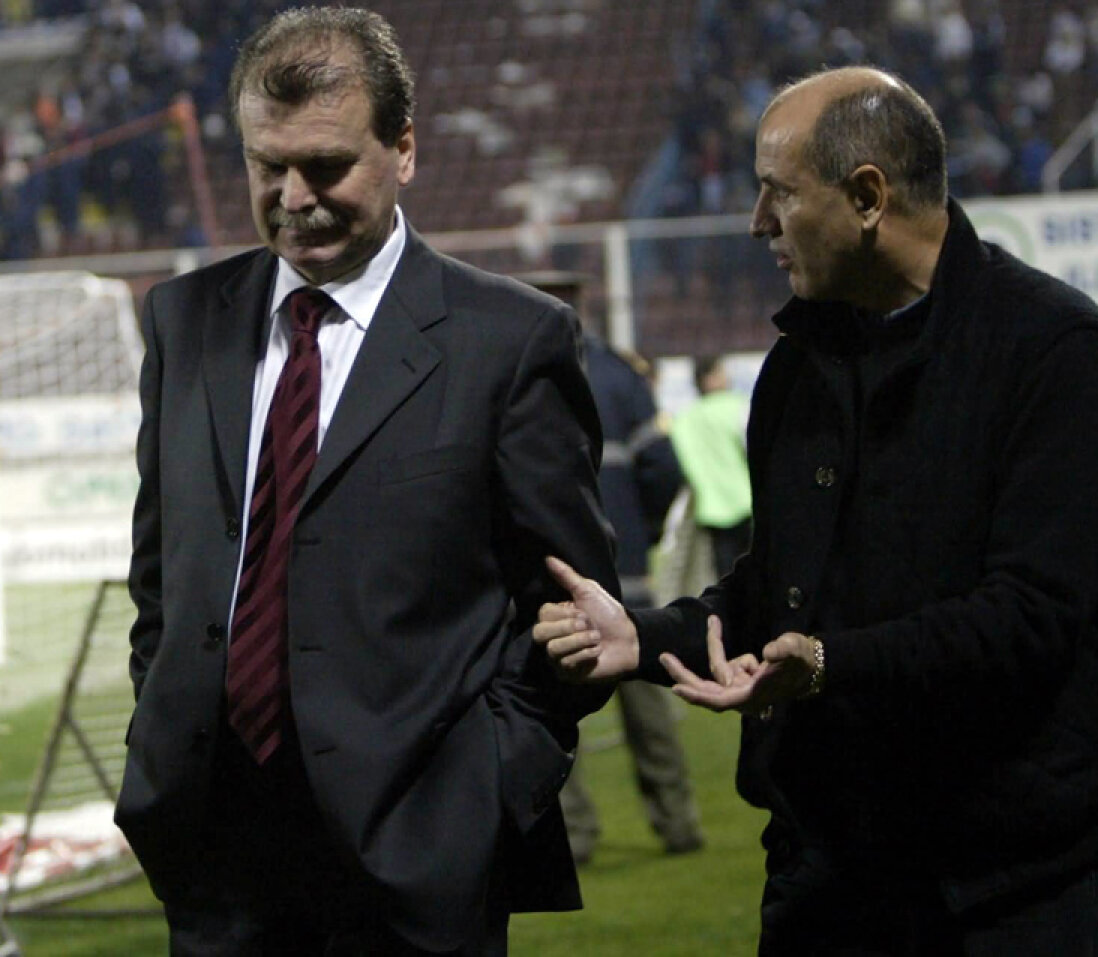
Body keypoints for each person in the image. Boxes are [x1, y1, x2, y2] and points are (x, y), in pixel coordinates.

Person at [534, 66, 1098, 955]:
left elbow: (1031, 618)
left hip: (1003, 883)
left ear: (868, 197)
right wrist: (643, 636)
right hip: (826, 870)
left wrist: (833, 663)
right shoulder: (800, 363)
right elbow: (779, 588)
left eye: (779, 192)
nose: (758, 221)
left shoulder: (1057, 355)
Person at [114, 8, 618, 955]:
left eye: (326, 166)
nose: (293, 197)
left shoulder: (509, 340)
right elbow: (162, 576)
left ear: (405, 150)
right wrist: (164, 721)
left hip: (418, 859)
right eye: (268, 166)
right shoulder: (184, 322)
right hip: (217, 857)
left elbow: (576, 607)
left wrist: (483, 786)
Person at [521, 272, 704, 865]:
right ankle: (677, 822)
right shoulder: (620, 376)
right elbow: (664, 470)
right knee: (648, 699)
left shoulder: (514, 371)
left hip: (547, 585)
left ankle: (574, 835)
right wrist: (639, 535)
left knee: (549, 706)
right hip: (626, 574)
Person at [669, 353, 753, 578]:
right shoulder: (737, 407)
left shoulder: (684, 419)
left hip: (710, 506)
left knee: (724, 573)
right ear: (709, 378)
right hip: (746, 501)